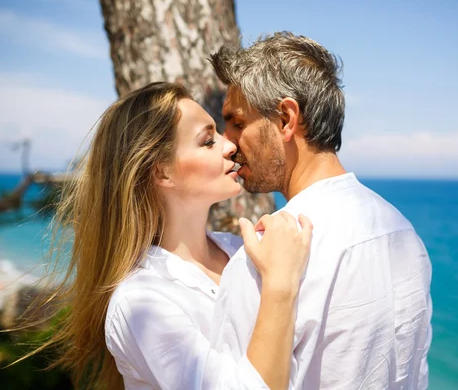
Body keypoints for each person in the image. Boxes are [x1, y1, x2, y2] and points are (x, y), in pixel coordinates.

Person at [27, 82, 313, 390]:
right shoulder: (141, 302)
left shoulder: (244, 251)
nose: (230, 145)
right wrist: (281, 285)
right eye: (207, 141)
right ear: (162, 171)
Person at [209, 32, 433, 389]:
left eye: (237, 121)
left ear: (285, 119)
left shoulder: (263, 259)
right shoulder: (404, 235)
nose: (227, 140)